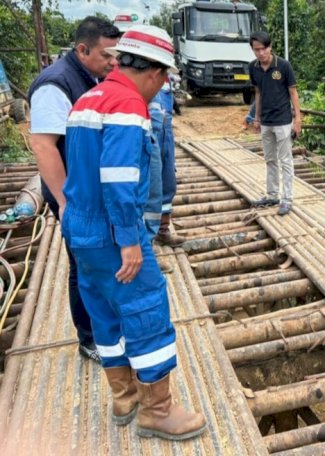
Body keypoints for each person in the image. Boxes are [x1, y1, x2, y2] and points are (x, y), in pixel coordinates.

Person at [61, 25, 206, 440]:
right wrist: (129, 239)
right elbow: (119, 177)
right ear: (157, 73)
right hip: (111, 229)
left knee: (104, 310)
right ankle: (157, 411)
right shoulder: (127, 103)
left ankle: (123, 397)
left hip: (81, 227)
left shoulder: (89, 98)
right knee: (145, 309)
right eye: (165, 79)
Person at [28, 16, 121, 363]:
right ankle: (89, 338)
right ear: (82, 50)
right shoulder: (56, 84)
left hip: (90, 192)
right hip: (74, 197)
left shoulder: (91, 76)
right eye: (106, 56)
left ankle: (105, 324)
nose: (114, 64)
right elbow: (44, 147)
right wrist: (66, 204)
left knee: (98, 258)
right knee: (82, 263)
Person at [248, 31, 302, 216]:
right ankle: (272, 194)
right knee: (270, 159)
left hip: (283, 120)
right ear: (253, 50)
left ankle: (287, 199)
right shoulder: (253, 68)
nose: (261, 53)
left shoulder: (283, 66)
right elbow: (258, 93)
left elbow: (293, 93)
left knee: (285, 160)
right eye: (257, 50)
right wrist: (256, 117)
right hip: (266, 121)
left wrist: (298, 119)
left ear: (270, 47)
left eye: (264, 48)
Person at [144, 77, 184, 246]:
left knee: (168, 183)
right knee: (149, 187)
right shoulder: (143, 74)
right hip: (148, 132)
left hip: (165, 133)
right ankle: (147, 243)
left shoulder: (166, 78)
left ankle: (163, 230)